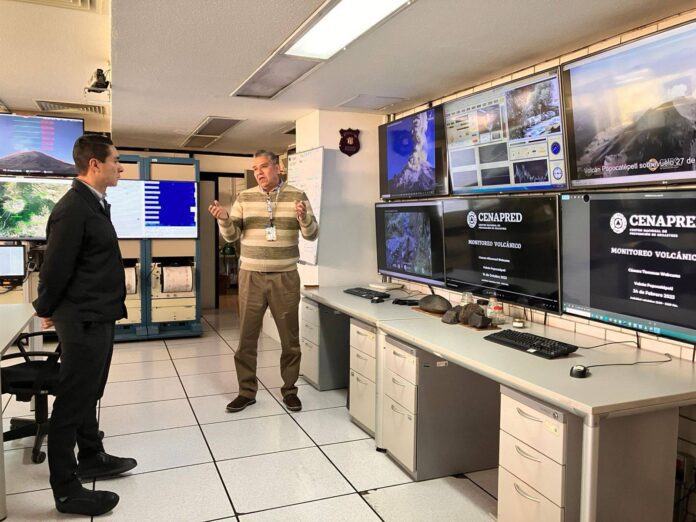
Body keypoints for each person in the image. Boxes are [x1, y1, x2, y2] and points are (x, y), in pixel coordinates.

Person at [33, 135, 137, 516]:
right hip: (82, 319)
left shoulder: (93, 203)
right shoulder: (73, 208)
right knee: (73, 401)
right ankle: (66, 490)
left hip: (98, 314)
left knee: (90, 392)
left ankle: (91, 456)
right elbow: (55, 267)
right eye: (115, 160)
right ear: (95, 164)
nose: (120, 167)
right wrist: (46, 307)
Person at [208, 149, 318, 413]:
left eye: (264, 166)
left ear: (278, 167)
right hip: (251, 276)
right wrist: (224, 220)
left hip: (285, 276)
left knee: (290, 339)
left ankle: (290, 390)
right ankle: (246, 392)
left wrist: (304, 219)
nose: (258, 172)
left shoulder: (297, 196)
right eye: (255, 168)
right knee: (246, 339)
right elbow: (232, 236)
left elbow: (312, 234)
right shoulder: (244, 197)